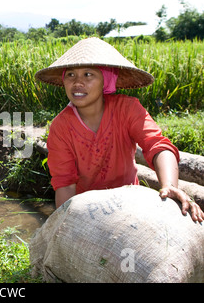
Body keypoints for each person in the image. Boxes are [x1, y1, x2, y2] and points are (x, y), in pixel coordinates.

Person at [35, 37, 203, 222]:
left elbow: (158, 146)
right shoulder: (61, 127)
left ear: (105, 80)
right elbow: (65, 183)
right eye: (71, 75)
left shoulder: (128, 109)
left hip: (129, 200)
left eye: (88, 75)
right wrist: (66, 222)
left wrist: (170, 185)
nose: (77, 83)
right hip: (86, 208)